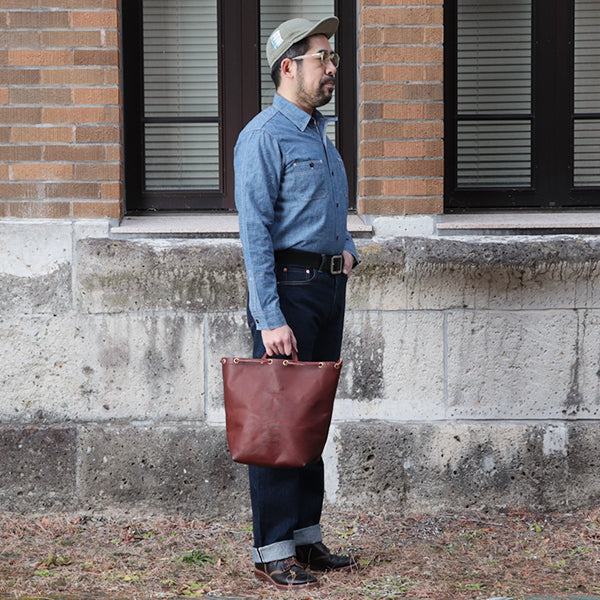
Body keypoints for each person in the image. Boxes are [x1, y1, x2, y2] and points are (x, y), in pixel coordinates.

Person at [234, 15, 359, 591]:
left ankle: (306, 539)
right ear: (289, 66)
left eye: (333, 58)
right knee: (278, 423)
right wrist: (270, 318)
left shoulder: (318, 136)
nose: (333, 68)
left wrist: (348, 249)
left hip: (327, 290)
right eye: (322, 58)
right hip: (288, 291)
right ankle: (273, 551)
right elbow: (255, 233)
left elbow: (326, 210)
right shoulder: (264, 136)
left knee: (310, 416)